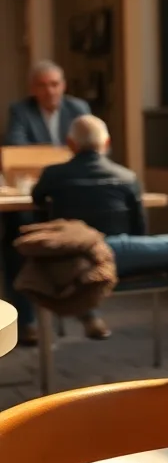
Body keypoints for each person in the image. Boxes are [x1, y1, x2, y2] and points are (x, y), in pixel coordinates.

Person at [30, 115, 146, 339]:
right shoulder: (128, 177)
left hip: (69, 260)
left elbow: (37, 199)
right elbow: (140, 230)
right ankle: (89, 315)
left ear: (70, 144)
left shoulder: (53, 175)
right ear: (107, 143)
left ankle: (27, 324)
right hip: (119, 260)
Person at [3, 61, 94, 345]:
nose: (49, 90)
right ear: (33, 89)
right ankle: (26, 320)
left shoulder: (78, 109)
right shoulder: (21, 111)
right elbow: (17, 150)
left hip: (70, 196)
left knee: (85, 236)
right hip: (32, 198)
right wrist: (64, 158)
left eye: (54, 84)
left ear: (63, 85)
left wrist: (44, 159)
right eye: (42, 85)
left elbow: (95, 146)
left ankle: (87, 310)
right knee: (17, 237)